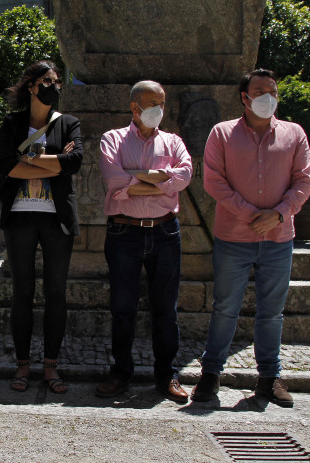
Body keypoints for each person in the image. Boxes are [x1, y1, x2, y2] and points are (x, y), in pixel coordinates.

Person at [192, 69, 310, 407]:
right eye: (259, 90)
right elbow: (214, 181)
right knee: (225, 307)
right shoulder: (223, 133)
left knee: (272, 313)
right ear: (244, 97)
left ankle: (269, 378)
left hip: (278, 238)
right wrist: (250, 215)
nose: (267, 96)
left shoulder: (294, 133)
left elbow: (303, 180)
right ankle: (211, 374)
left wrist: (276, 214)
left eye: (272, 90)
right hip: (233, 237)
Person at [96, 81, 193, 403]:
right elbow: (114, 180)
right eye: (152, 102)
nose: (158, 109)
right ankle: (121, 372)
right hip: (124, 232)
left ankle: (166, 374)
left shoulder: (173, 141)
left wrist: (137, 179)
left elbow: (185, 176)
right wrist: (162, 182)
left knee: (166, 309)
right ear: (134, 107)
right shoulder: (113, 139)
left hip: (165, 232)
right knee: (123, 308)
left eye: (162, 103)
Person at [0, 60, 83, 394]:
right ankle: (22, 364)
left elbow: (74, 163)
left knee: (56, 293)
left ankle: (50, 366)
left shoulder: (69, 123)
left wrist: (28, 161)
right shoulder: (12, 123)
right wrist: (54, 163)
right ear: (31, 86)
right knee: (22, 292)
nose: (54, 87)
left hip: (56, 218)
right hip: (19, 217)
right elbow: (5, 166)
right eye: (48, 80)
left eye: (58, 81)